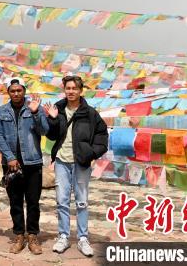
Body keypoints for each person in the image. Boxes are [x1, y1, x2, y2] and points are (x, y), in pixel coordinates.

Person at [45, 75, 108, 257]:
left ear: (80, 90)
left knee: (81, 202)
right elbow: (51, 135)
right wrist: (53, 119)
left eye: (74, 88)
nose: (71, 91)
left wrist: (91, 153)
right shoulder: (58, 109)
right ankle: (63, 236)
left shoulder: (90, 113)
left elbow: (102, 136)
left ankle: (82, 238)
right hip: (61, 161)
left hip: (81, 163)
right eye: (68, 88)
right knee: (62, 201)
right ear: (64, 90)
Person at [0, 77, 48, 254]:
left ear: (24, 91)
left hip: (32, 162)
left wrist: (36, 113)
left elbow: (44, 130)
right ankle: (18, 235)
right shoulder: (2, 111)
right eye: (13, 91)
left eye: (19, 90)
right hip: (11, 165)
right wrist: (9, 157)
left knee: (33, 202)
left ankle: (32, 236)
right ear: (8, 92)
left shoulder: (34, 108)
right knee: (15, 202)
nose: (16, 93)